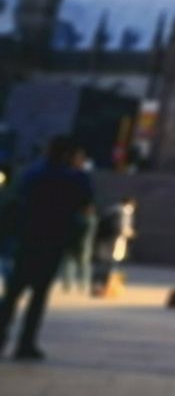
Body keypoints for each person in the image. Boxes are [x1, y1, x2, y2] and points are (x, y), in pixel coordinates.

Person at [0, 135, 94, 360]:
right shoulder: (76, 178)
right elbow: (86, 206)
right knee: (38, 296)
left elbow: (13, 202)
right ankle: (26, 344)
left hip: (24, 240)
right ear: (71, 155)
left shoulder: (32, 173)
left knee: (12, 294)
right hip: (52, 242)